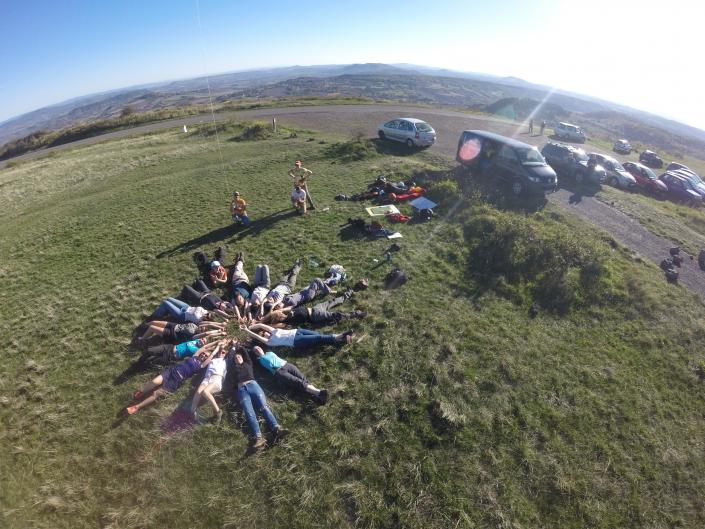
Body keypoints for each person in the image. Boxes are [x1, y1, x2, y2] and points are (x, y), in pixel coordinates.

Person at [126, 344, 223, 415]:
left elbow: (211, 355)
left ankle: (137, 407)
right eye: (204, 354)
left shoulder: (201, 365)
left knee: (155, 394)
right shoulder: (194, 356)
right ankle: (142, 392)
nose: (204, 355)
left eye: (206, 356)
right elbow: (203, 348)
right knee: (154, 382)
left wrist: (217, 349)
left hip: (176, 381)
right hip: (171, 371)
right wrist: (215, 344)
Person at [225, 342, 288, 449]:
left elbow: (246, 354)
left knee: (264, 407)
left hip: (253, 386)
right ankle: (259, 438)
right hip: (242, 390)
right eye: (235, 358)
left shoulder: (248, 363)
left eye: (239, 357)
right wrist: (233, 348)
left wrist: (240, 346)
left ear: (243, 358)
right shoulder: (232, 368)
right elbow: (231, 356)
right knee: (249, 412)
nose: (237, 358)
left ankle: (276, 428)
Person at [251, 346, 328, 404]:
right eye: (255, 350)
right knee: (297, 382)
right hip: (280, 371)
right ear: (255, 354)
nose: (258, 349)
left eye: (258, 347)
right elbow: (269, 364)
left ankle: (318, 396)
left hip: (287, 365)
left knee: (303, 379)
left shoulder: (269, 352)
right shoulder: (260, 360)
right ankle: (320, 392)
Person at [258, 294, 364, 327]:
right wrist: (261, 325)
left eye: (279, 313)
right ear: (278, 320)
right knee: (336, 315)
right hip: (315, 316)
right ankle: (357, 314)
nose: (280, 313)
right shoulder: (286, 323)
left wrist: (261, 320)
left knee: (332, 301)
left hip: (315, 308)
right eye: (279, 316)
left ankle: (348, 294)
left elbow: (272, 313)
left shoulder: (288, 311)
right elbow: (271, 326)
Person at [190, 343, 229, 423]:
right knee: (198, 392)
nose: (221, 353)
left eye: (223, 352)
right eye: (220, 352)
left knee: (205, 392)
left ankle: (218, 412)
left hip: (217, 378)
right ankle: (192, 413)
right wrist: (219, 347)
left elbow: (231, 352)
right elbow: (212, 353)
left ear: (226, 354)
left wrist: (229, 343)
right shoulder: (212, 360)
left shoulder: (226, 361)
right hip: (206, 378)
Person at [243, 322, 353, 348]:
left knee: (319, 336)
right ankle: (342, 335)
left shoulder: (274, 331)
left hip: (298, 331)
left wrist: (250, 327)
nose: (265, 333)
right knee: (319, 337)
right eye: (264, 334)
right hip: (297, 341)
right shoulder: (270, 342)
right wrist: (248, 332)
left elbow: (261, 325)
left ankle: (339, 342)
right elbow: (257, 336)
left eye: (265, 332)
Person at [135, 320, 226, 345]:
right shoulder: (197, 325)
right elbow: (209, 323)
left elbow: (207, 334)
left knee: (152, 328)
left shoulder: (195, 336)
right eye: (204, 327)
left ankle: (142, 339)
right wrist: (220, 325)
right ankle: (143, 326)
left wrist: (218, 332)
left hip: (172, 334)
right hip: (174, 325)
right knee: (153, 322)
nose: (203, 328)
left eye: (203, 329)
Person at [145, 335, 221, 363]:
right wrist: (219, 334)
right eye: (202, 339)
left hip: (171, 357)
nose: (202, 341)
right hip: (169, 347)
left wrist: (218, 343)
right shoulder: (195, 339)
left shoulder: (197, 350)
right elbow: (208, 334)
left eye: (204, 342)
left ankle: (139, 365)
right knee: (149, 351)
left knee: (150, 360)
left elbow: (208, 347)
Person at [152, 296, 230, 323]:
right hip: (186, 307)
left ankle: (157, 315)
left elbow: (198, 311)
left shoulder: (199, 320)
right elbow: (218, 312)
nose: (206, 315)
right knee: (169, 299)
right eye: (208, 314)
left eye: (207, 316)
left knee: (166, 302)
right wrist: (227, 318)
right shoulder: (206, 312)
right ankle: (165, 311)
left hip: (181, 315)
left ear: (207, 319)